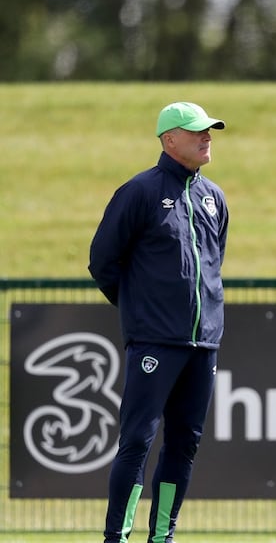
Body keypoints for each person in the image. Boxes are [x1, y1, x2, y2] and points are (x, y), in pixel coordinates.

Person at [89, 101, 229, 543]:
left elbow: (213, 263)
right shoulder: (140, 192)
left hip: (202, 344)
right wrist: (140, 310)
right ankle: (118, 537)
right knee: (137, 442)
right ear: (170, 140)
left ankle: (162, 536)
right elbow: (103, 261)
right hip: (154, 342)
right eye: (197, 132)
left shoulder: (214, 197)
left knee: (184, 444)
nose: (207, 137)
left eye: (210, 131)